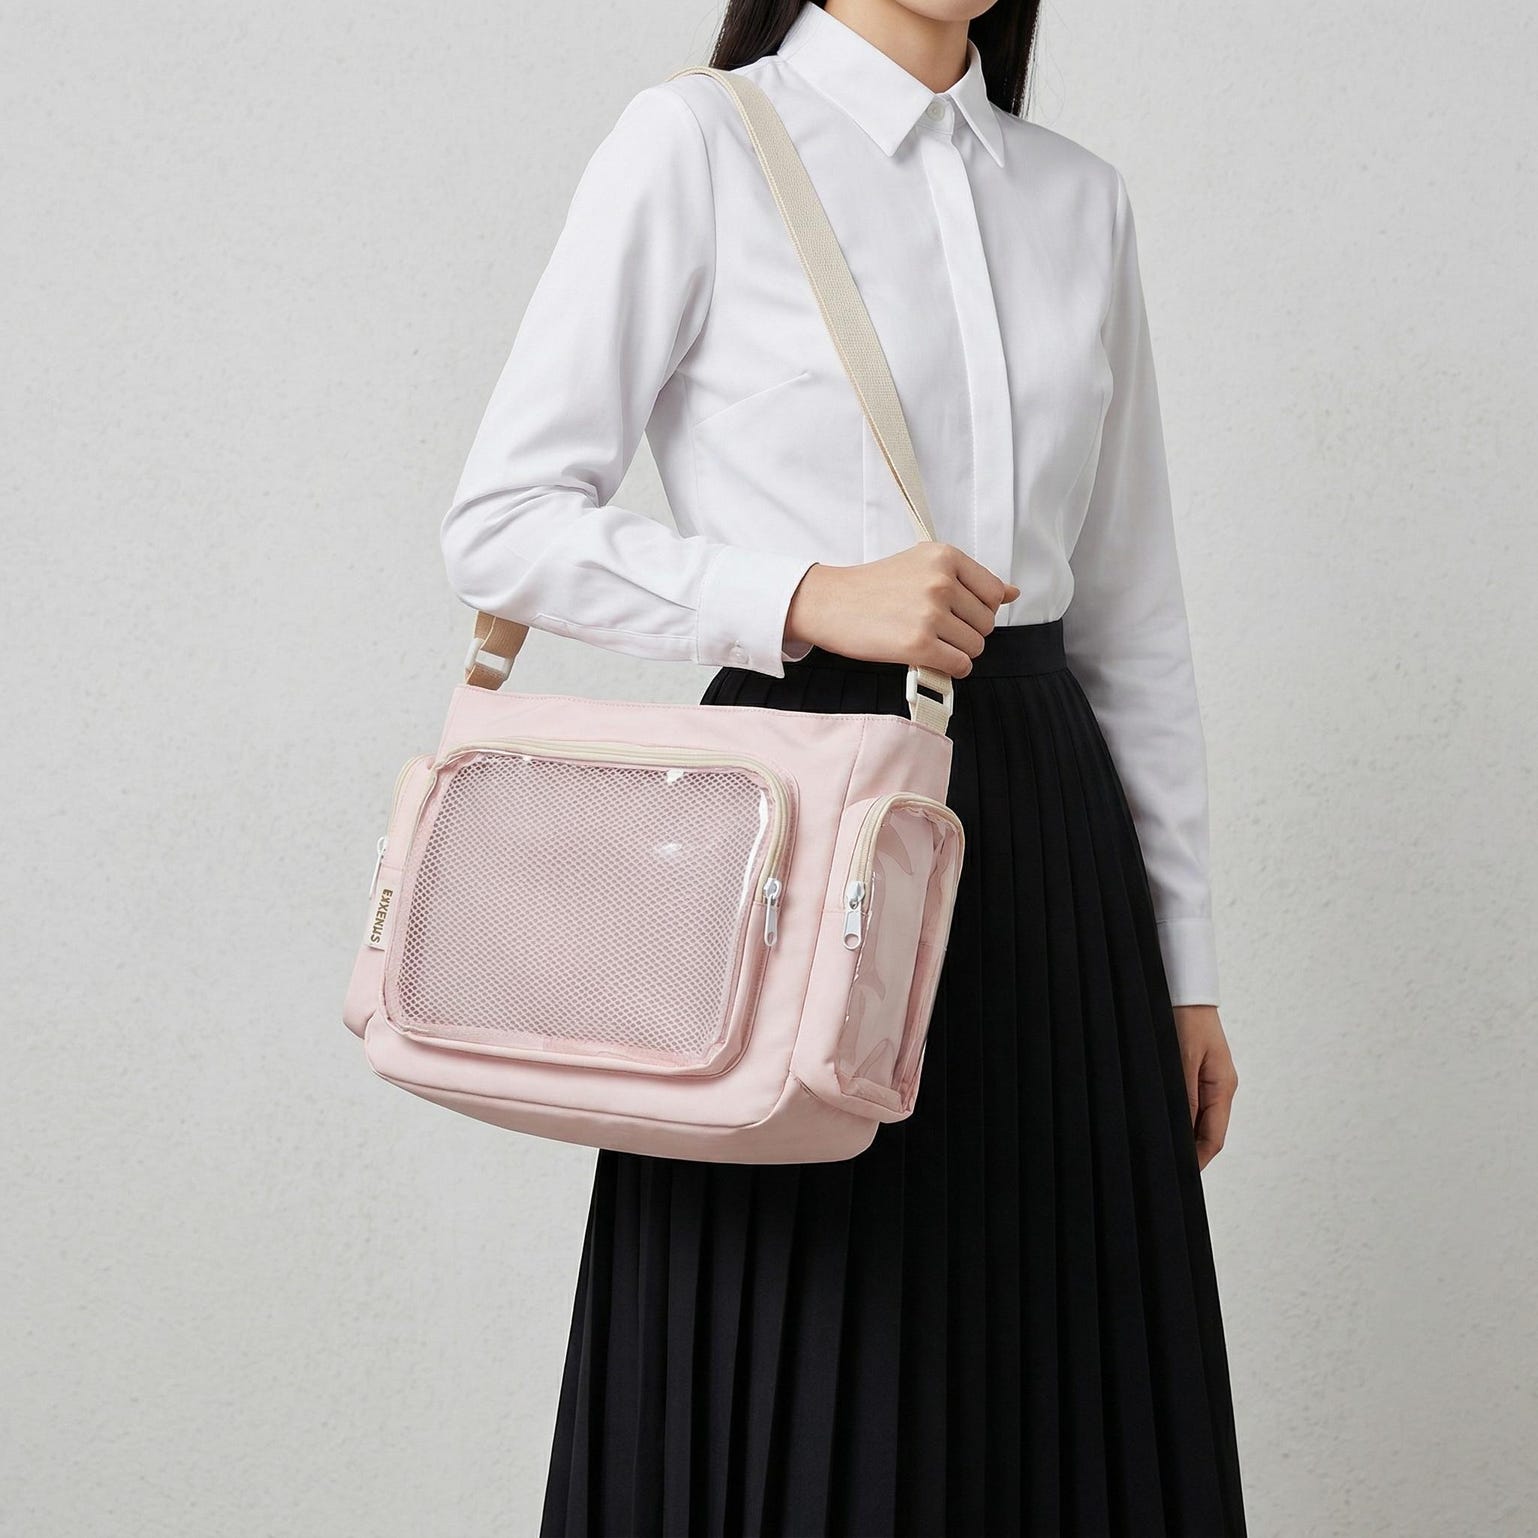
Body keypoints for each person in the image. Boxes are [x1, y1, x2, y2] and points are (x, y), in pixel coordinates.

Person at [440, 1, 1246, 1532]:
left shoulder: (1077, 197)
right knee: (817, 1358)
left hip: (1049, 850)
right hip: (797, 824)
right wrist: (803, 594)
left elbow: (1132, 615)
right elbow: (500, 526)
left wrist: (1182, 965)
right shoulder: (696, 143)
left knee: (1049, 1389)